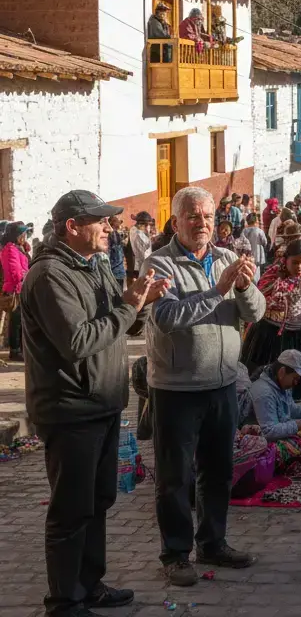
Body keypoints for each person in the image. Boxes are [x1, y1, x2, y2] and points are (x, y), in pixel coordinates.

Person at [20, 191, 168, 617]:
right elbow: (77, 341)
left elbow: (118, 324)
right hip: (70, 410)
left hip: (102, 402)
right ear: (72, 227)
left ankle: (89, 584)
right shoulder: (49, 275)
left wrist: (141, 304)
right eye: (100, 221)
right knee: (71, 510)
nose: (109, 227)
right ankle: (64, 601)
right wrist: (128, 307)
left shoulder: (96, 264)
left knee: (98, 500)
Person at [145, 186, 266, 588]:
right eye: (193, 216)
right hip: (176, 389)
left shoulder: (227, 258)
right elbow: (166, 317)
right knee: (175, 477)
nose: (202, 224)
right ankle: (176, 554)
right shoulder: (159, 264)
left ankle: (213, 542)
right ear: (175, 221)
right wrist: (216, 291)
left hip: (223, 383)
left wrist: (244, 287)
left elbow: (257, 312)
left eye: (208, 217)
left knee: (218, 472)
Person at [240, 239, 301, 402]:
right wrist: (280, 300)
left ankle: (292, 414)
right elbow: (259, 299)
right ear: (285, 260)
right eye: (295, 262)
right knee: (271, 382)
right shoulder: (273, 275)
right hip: (271, 336)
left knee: (296, 385)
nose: (299, 267)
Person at [250, 349, 301, 442]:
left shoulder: (281, 384)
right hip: (262, 440)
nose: (296, 383)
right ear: (282, 372)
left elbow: (289, 407)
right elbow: (269, 431)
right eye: (295, 378)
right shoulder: (264, 393)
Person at [1, 221, 30, 362]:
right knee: (17, 321)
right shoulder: (10, 249)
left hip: (20, 287)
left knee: (20, 321)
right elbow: (15, 272)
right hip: (16, 289)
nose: (25, 236)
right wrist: (27, 276)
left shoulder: (18, 248)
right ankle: (15, 350)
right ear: (17, 235)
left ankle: (20, 349)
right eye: (23, 234)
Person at [128, 212, 155, 280]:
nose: (149, 226)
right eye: (148, 224)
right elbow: (146, 252)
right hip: (141, 266)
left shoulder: (133, 229)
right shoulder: (139, 234)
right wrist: (148, 234)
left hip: (138, 265)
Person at [106, 215, 127, 288]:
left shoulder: (115, 234)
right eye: (118, 222)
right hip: (116, 271)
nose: (120, 224)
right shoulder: (113, 234)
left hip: (116, 271)